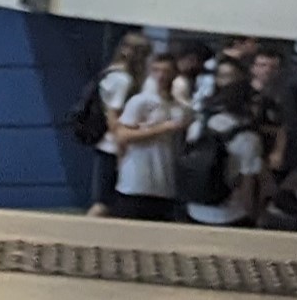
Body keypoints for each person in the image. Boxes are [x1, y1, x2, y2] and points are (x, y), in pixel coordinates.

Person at [111, 53, 189, 222]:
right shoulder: (140, 101)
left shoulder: (180, 108)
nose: (161, 76)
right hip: (135, 184)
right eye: (156, 70)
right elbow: (122, 135)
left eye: (166, 71)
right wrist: (163, 128)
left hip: (165, 186)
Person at [181, 77, 267, 227]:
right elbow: (247, 185)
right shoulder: (248, 138)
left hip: (194, 210)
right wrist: (254, 216)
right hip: (230, 214)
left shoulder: (198, 126)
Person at [86, 32, 150, 215]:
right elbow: (113, 116)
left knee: (105, 200)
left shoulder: (111, 71)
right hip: (113, 146)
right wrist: (121, 144)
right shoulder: (123, 80)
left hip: (106, 144)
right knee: (104, 202)